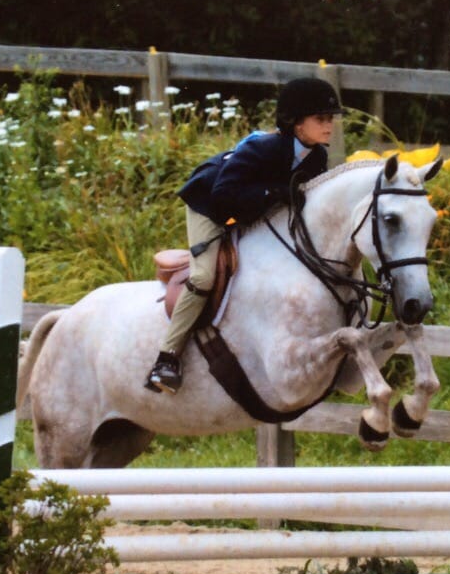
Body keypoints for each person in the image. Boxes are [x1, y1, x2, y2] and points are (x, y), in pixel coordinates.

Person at [145, 76, 343, 394]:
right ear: (296, 123)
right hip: (209, 206)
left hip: (248, 210)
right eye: (321, 118)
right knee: (204, 277)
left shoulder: (317, 156)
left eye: (330, 118)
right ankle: (166, 359)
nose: (329, 125)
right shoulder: (262, 148)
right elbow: (224, 195)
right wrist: (273, 192)